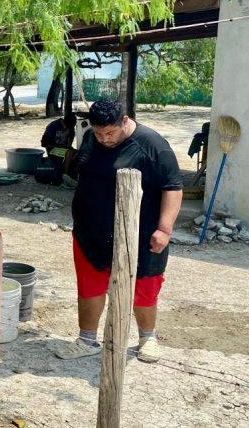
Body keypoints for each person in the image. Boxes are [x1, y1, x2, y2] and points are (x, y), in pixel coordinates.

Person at [56, 100, 182, 363]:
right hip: (90, 233)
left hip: (140, 235)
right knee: (90, 285)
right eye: (99, 133)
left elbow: (172, 188)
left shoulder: (153, 146)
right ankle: (87, 340)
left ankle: (147, 339)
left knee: (144, 286)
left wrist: (164, 229)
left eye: (110, 132)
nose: (104, 139)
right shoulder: (91, 138)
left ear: (125, 121)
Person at [41, 113, 77, 180]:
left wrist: (70, 134)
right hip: (52, 149)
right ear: (64, 122)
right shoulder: (53, 126)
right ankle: (65, 176)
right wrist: (62, 147)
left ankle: (71, 173)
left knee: (78, 153)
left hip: (63, 149)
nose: (70, 128)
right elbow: (44, 143)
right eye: (69, 127)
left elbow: (69, 145)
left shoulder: (71, 128)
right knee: (70, 152)